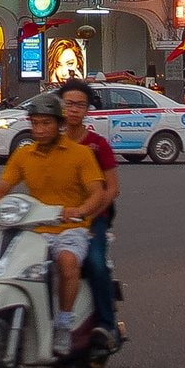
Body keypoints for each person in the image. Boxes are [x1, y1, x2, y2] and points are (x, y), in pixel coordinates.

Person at [0, 94, 107, 356]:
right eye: (35, 123)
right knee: (8, 265)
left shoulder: (80, 154)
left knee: (67, 262)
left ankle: (64, 323)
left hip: (71, 228)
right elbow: (1, 188)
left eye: (46, 123)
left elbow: (97, 193)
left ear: (59, 124)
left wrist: (79, 211)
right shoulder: (24, 154)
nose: (40, 129)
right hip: (37, 229)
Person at [57, 80, 123, 346]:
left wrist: (88, 212)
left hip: (93, 220)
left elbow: (112, 189)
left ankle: (107, 325)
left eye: (80, 105)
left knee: (95, 262)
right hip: (56, 218)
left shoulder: (97, 145)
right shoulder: (51, 143)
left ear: (87, 110)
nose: (73, 110)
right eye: (68, 104)